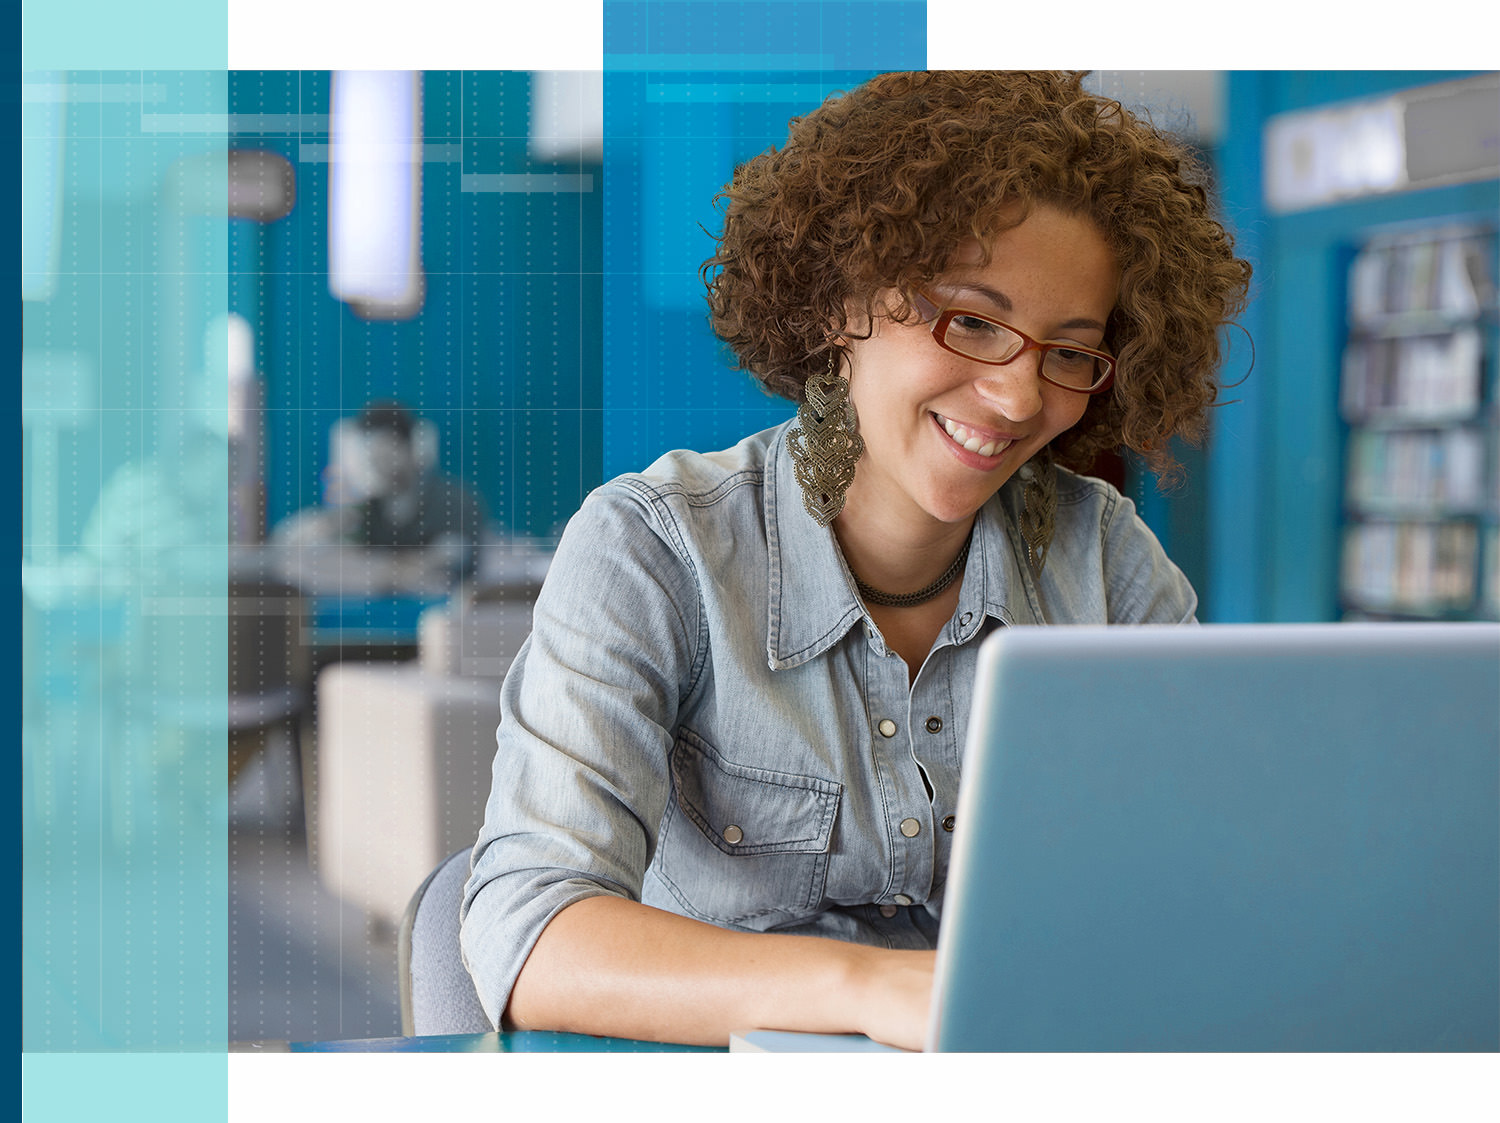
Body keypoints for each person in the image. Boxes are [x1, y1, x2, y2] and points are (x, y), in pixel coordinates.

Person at [460, 71, 1252, 1051]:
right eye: (972, 321)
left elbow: (1203, 884)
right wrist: (877, 989)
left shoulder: (1103, 559)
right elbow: (531, 936)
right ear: (842, 303)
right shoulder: (657, 549)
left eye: (1068, 352)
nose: (1017, 396)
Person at [270, 400, 487, 594]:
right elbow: (288, 545)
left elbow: (452, 557)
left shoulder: (453, 500)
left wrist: (390, 569)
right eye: (372, 455)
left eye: (387, 452)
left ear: (411, 448)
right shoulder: (368, 506)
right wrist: (329, 523)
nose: (380, 463)